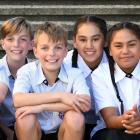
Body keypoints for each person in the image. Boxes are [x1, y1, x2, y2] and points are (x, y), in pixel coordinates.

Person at [13, 21, 91, 140]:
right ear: (35, 51)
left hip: (63, 131)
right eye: (44, 48)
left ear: (65, 51)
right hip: (35, 130)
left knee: (76, 118)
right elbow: (18, 100)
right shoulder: (26, 71)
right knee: (25, 117)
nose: (51, 53)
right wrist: (60, 96)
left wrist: (42, 107)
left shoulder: (75, 73)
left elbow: (85, 104)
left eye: (58, 47)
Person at [91, 22, 140, 140]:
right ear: (110, 51)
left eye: (131, 45)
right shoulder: (100, 75)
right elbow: (110, 120)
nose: (125, 51)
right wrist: (129, 120)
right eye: (118, 46)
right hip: (110, 132)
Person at [64, 15, 108, 140]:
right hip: (73, 124)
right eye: (83, 40)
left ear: (105, 41)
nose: (89, 45)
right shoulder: (64, 62)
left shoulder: (115, 61)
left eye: (95, 39)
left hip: (106, 124)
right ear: (75, 42)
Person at [0, 16, 33, 139]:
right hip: (3, 127)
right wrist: (9, 133)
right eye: (10, 39)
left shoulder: (37, 70)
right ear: (2, 43)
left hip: (30, 125)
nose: (16, 44)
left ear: (31, 44)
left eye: (22, 39)